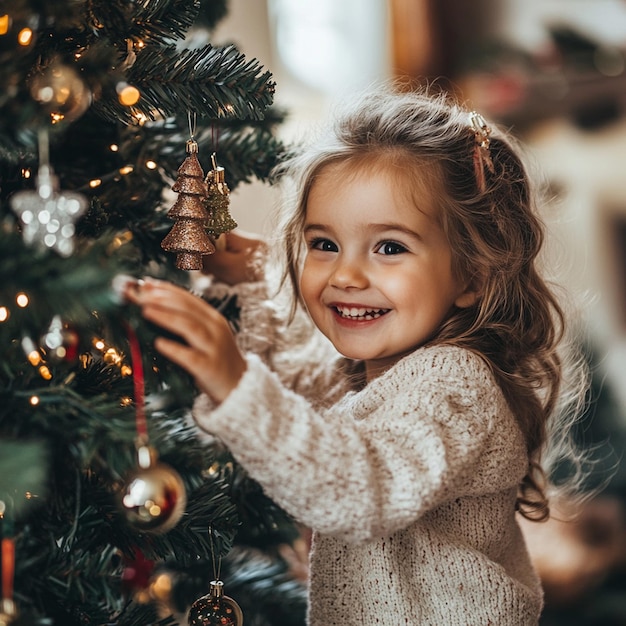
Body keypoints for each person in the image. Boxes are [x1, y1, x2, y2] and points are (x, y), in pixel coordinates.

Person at [125, 87, 588, 625]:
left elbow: (356, 486)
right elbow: (300, 395)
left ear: (473, 274)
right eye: (324, 244)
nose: (346, 276)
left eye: (390, 247)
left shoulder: (456, 383)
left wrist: (235, 382)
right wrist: (257, 280)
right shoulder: (383, 371)